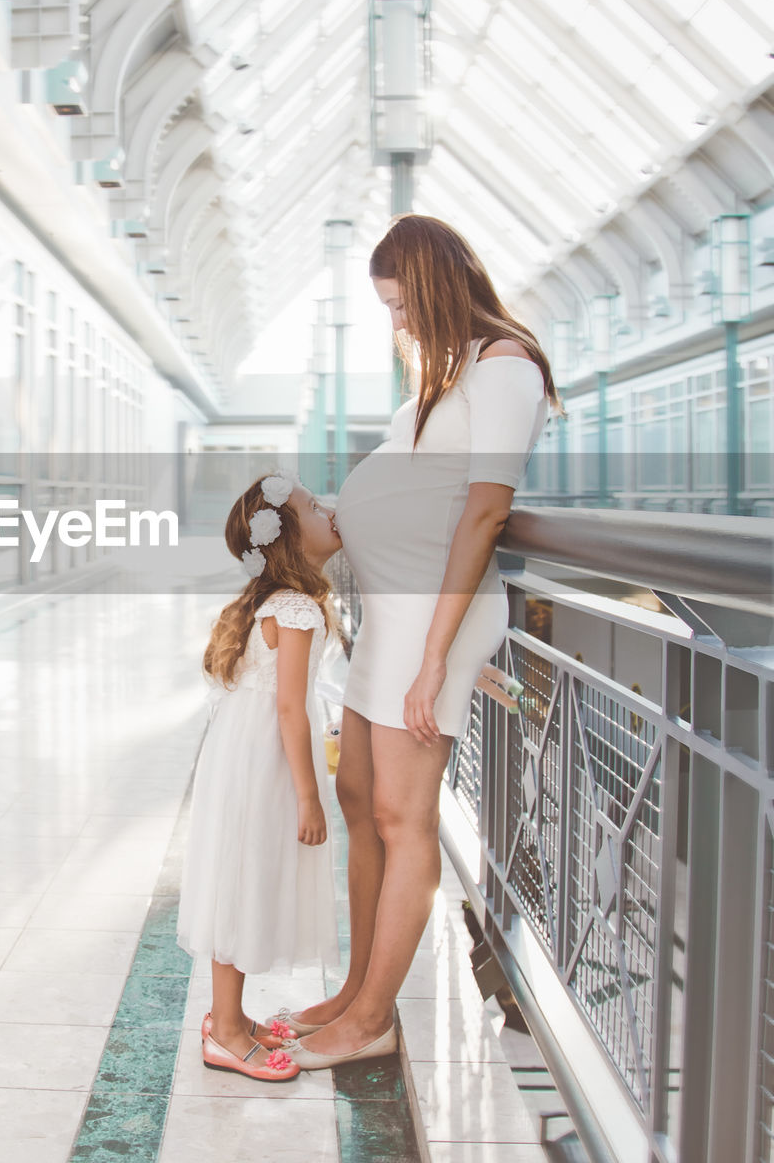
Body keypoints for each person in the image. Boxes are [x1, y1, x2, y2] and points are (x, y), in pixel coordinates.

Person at [273, 214, 563, 1070]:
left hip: (431, 620)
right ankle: (355, 990)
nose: (397, 324)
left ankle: (371, 1020)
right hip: (390, 618)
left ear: (436, 286)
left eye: (401, 305)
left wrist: (435, 658)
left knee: (403, 817)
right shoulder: (449, 377)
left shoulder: (507, 368)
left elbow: (484, 511)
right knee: (362, 800)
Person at [175, 470, 344, 1081]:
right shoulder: (295, 605)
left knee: (238, 872)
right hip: (266, 758)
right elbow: (291, 708)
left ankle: (231, 1016)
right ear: (289, 537)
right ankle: (223, 1030)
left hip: (242, 751)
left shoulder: (273, 600)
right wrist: (309, 797)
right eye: (315, 506)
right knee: (244, 877)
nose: (330, 510)